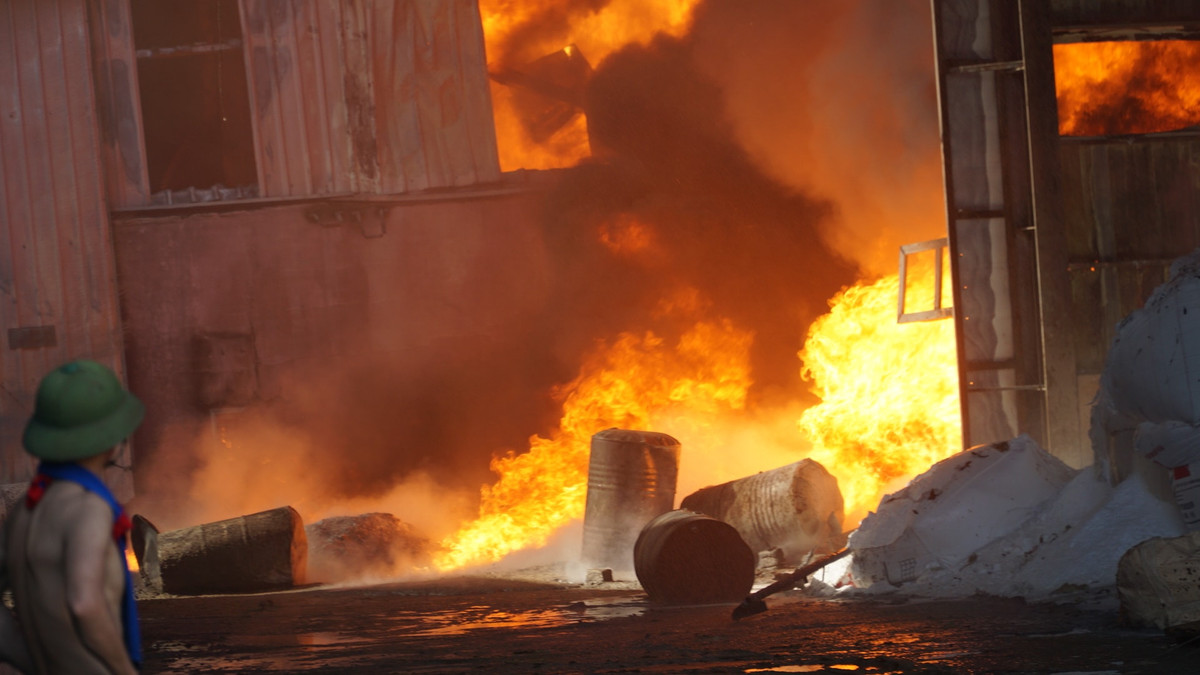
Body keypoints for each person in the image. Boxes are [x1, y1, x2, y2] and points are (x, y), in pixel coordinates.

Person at [0, 360, 144, 674]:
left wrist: (21, 659)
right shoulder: (89, 508)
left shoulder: (24, 509)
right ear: (110, 439)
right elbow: (85, 604)